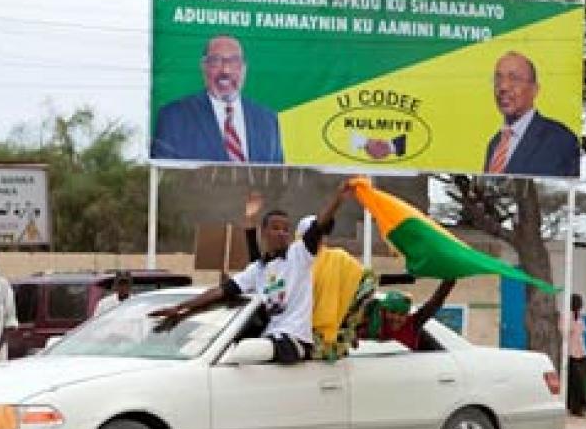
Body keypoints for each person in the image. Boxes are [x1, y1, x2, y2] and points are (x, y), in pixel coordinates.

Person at [150, 182, 353, 364]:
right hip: (271, 337)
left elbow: (318, 226)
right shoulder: (257, 269)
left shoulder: (299, 255)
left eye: (286, 229)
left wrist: (337, 199)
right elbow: (220, 291)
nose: (282, 233)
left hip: (293, 341)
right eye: (275, 228)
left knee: (251, 350)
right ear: (264, 232)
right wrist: (180, 308)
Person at [151, 35, 284, 163]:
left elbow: (279, 179)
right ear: (203, 67)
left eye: (234, 61)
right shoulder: (174, 117)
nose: (225, 70)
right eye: (216, 61)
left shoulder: (268, 120)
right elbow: (163, 179)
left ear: (244, 68)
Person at [483, 51, 581, 178]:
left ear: (534, 89)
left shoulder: (561, 141)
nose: (503, 87)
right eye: (498, 79)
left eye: (514, 79)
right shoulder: (494, 144)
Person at [361, 280, 457, 350]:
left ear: (407, 315)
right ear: (384, 311)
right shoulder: (370, 321)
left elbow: (436, 300)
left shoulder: (413, 324)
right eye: (393, 312)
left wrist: (450, 277)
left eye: (402, 314)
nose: (396, 318)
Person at [561, 294, 586, 417]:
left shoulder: (580, 317)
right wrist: (573, 321)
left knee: (578, 383)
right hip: (570, 354)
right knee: (576, 382)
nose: (579, 306)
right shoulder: (565, 317)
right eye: (577, 303)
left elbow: (581, 335)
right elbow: (564, 332)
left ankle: (577, 408)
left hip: (581, 353)